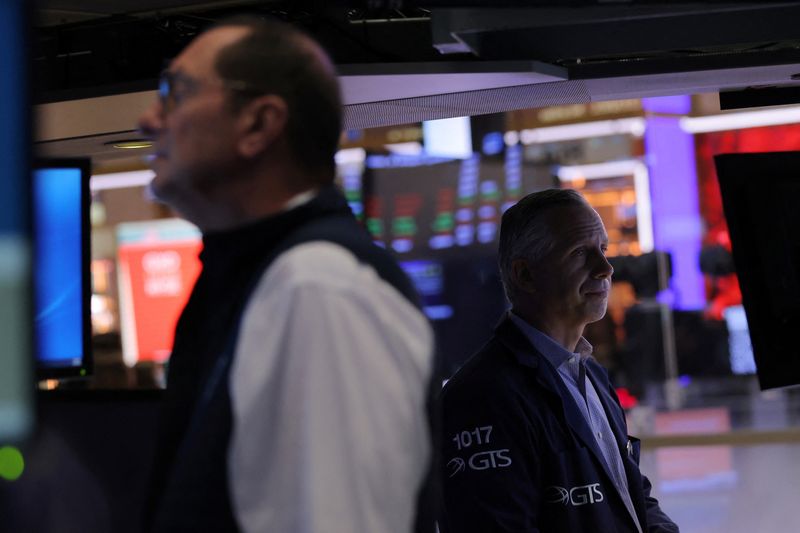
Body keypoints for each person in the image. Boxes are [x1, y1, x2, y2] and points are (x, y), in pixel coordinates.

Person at [137, 16, 436, 533]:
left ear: (259, 124)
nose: (148, 118)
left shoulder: (320, 287)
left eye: (174, 92)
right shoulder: (257, 273)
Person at [438, 189, 678, 533]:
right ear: (525, 275)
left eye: (603, 250)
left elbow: (630, 494)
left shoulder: (591, 375)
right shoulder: (481, 397)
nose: (605, 268)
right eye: (580, 253)